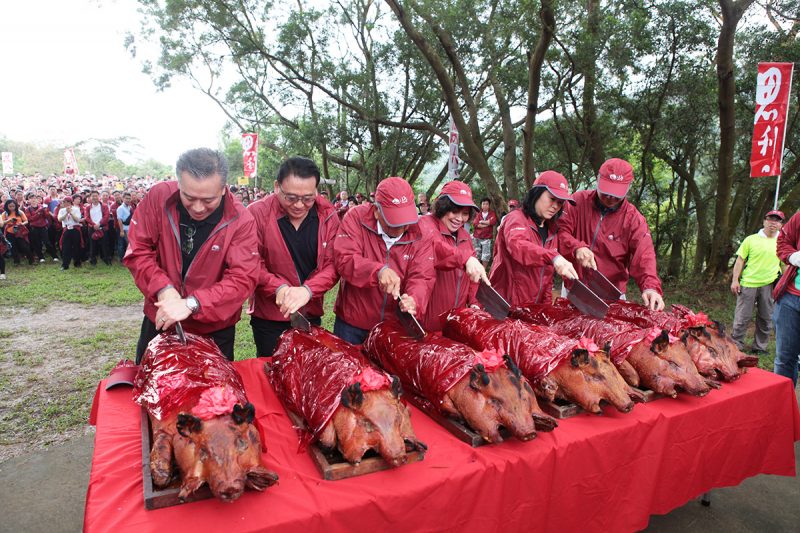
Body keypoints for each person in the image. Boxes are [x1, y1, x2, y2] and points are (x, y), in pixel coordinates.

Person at [124, 148, 260, 363]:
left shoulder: (241, 220)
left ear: (224, 189)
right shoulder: (159, 197)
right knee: (152, 387)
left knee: (214, 392)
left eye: (208, 200)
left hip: (214, 327)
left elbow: (242, 278)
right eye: (188, 197)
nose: (197, 208)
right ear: (179, 184)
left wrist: (191, 304)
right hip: (162, 317)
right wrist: (163, 289)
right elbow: (138, 250)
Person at [248, 156, 339, 356]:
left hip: (309, 312)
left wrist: (308, 290)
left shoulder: (328, 215)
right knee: (271, 373)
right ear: (276, 187)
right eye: (290, 197)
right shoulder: (257, 214)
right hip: (270, 316)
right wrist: (278, 288)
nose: (299, 205)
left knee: (308, 374)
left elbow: (333, 265)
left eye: (308, 198)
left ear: (316, 190)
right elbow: (251, 263)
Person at [332, 176, 436, 344]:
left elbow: (422, 276)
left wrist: (414, 299)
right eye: (393, 223)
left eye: (405, 222)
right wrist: (377, 271)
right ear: (376, 211)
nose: (401, 229)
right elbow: (344, 259)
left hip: (393, 327)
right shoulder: (356, 218)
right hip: (353, 322)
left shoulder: (420, 232)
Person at [558, 158, 664, 311]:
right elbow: (560, 231)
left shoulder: (634, 219)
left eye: (616, 194)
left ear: (627, 189)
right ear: (598, 180)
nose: (610, 198)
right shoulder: (577, 201)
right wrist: (576, 247)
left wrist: (651, 288)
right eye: (606, 192)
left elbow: (644, 256)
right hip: (573, 287)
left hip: (611, 295)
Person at [489, 171, 579, 305]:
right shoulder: (516, 219)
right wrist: (553, 257)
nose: (555, 206)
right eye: (552, 199)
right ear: (536, 194)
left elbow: (547, 279)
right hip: (506, 306)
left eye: (560, 202)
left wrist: (546, 309)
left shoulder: (552, 230)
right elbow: (518, 245)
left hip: (532, 309)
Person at [418, 181, 489, 331]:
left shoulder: (464, 235)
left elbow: (473, 278)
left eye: (464, 213)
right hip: (427, 322)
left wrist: (475, 302)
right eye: (454, 211)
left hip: (456, 321)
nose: (459, 218)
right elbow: (435, 247)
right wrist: (465, 258)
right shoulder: (425, 224)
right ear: (443, 207)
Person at [730, 210, 785, 354]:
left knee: (766, 317)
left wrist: (785, 284)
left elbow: (784, 264)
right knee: (742, 316)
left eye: (777, 221)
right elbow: (740, 260)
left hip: (769, 284)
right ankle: (736, 344)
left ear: (781, 225)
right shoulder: (751, 239)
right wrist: (735, 280)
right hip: (748, 283)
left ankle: (759, 347)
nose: (773, 223)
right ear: (764, 221)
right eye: (770, 219)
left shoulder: (782, 242)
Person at [772, 210, 800, 385]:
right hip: (791, 298)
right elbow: (783, 241)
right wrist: (792, 256)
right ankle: (781, 407)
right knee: (784, 358)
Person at [1, 199, 34, 265]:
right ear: (6, 206)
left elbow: (26, 221)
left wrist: (21, 224)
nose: (12, 208)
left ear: (16, 205)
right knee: (13, 247)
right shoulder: (4, 214)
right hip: (9, 232)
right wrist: (9, 221)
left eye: (13, 206)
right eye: (10, 206)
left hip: (19, 232)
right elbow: (2, 223)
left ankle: (31, 260)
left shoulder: (20, 212)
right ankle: (16, 261)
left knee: (24, 246)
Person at [84, 190, 111, 266]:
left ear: (98, 197)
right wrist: (94, 225)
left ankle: (106, 259)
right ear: (90, 197)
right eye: (93, 196)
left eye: (96, 196)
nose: (94, 197)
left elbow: (106, 216)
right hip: (92, 228)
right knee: (92, 245)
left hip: (102, 227)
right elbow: (87, 217)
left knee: (105, 244)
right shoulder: (88, 207)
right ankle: (93, 260)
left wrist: (99, 224)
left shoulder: (104, 206)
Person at [57, 196, 83, 270]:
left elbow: (77, 219)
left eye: (67, 202)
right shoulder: (62, 210)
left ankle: (77, 262)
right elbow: (59, 219)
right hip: (66, 229)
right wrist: (66, 213)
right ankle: (65, 264)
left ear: (70, 202)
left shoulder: (76, 209)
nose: (66, 204)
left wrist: (71, 212)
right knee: (65, 248)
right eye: (64, 202)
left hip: (75, 229)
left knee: (76, 246)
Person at [472, 197, 497, 268]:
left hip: (487, 237)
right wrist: (487, 224)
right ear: (481, 205)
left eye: (487, 204)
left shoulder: (492, 214)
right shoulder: (478, 214)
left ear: (489, 205)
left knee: (485, 255)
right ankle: (477, 270)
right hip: (477, 237)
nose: (485, 205)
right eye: (483, 204)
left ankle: (483, 271)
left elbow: (493, 221)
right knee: (477, 254)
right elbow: (475, 224)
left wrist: (482, 222)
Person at [115, 192, 133, 262]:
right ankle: (123, 260)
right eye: (126, 198)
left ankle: (129, 259)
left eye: (129, 198)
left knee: (129, 244)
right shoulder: (120, 208)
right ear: (123, 199)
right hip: (124, 229)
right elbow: (119, 220)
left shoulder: (130, 207)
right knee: (123, 245)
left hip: (130, 228)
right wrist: (122, 231)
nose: (128, 200)